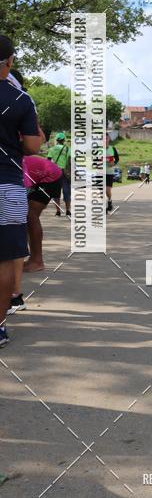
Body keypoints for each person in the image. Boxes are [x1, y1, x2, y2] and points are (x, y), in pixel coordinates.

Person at [0, 36, 43, 348]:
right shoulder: (21, 99)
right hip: (8, 184)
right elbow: (31, 145)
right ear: (10, 61)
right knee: (6, 259)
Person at [22, 155, 63, 272]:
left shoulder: (12, 163)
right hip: (39, 176)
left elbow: (22, 189)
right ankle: (29, 258)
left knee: (31, 215)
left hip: (50, 177)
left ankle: (37, 261)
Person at [47, 132, 71, 217]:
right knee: (66, 191)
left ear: (56, 140)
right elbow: (71, 161)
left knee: (56, 193)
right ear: (64, 140)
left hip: (55, 173)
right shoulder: (68, 149)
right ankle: (68, 210)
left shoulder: (52, 149)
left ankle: (58, 211)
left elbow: (48, 161)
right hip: (65, 173)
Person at [105, 134, 119, 213]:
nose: (105, 140)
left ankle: (109, 201)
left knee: (107, 190)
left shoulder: (112, 149)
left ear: (109, 139)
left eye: (106, 138)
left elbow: (117, 158)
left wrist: (113, 163)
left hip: (109, 172)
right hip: (100, 173)